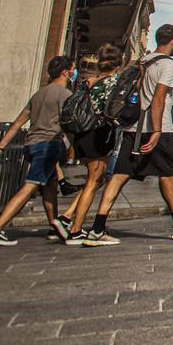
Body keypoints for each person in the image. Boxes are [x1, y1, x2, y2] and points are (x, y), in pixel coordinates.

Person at [88, 24, 173, 243]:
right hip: (156, 127)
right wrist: (157, 131)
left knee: (119, 176)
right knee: (169, 175)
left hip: (132, 127)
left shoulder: (143, 61)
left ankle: (97, 227)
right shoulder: (169, 65)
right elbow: (159, 98)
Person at [0, 55, 75, 246]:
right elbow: (71, 123)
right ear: (65, 72)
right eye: (72, 69)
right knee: (30, 186)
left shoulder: (38, 94)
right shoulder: (64, 95)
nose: (74, 72)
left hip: (30, 144)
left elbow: (17, 123)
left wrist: (0, 148)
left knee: (50, 186)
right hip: (47, 145)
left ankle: (53, 227)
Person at [61, 47, 125, 244]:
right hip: (98, 133)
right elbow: (113, 111)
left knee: (94, 181)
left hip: (82, 134)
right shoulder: (113, 83)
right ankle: (76, 229)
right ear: (118, 63)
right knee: (93, 182)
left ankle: (68, 219)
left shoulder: (88, 81)